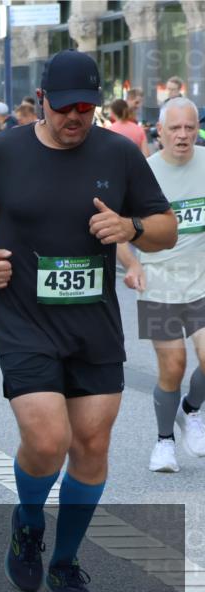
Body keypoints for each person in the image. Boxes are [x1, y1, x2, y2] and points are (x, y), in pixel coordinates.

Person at [0, 50, 177, 592]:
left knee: (93, 444)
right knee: (48, 440)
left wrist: (133, 226)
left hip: (93, 325)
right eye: (66, 106)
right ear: (43, 100)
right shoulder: (2, 151)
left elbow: (166, 229)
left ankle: (66, 561)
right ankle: (27, 523)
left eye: (87, 108)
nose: (76, 117)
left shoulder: (120, 153)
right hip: (25, 319)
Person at [117, 97, 205, 472]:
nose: (183, 135)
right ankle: (164, 441)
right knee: (173, 366)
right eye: (175, 129)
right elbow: (118, 230)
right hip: (159, 283)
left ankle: (193, 409)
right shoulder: (145, 173)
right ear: (160, 131)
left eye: (190, 128)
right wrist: (133, 263)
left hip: (201, 281)